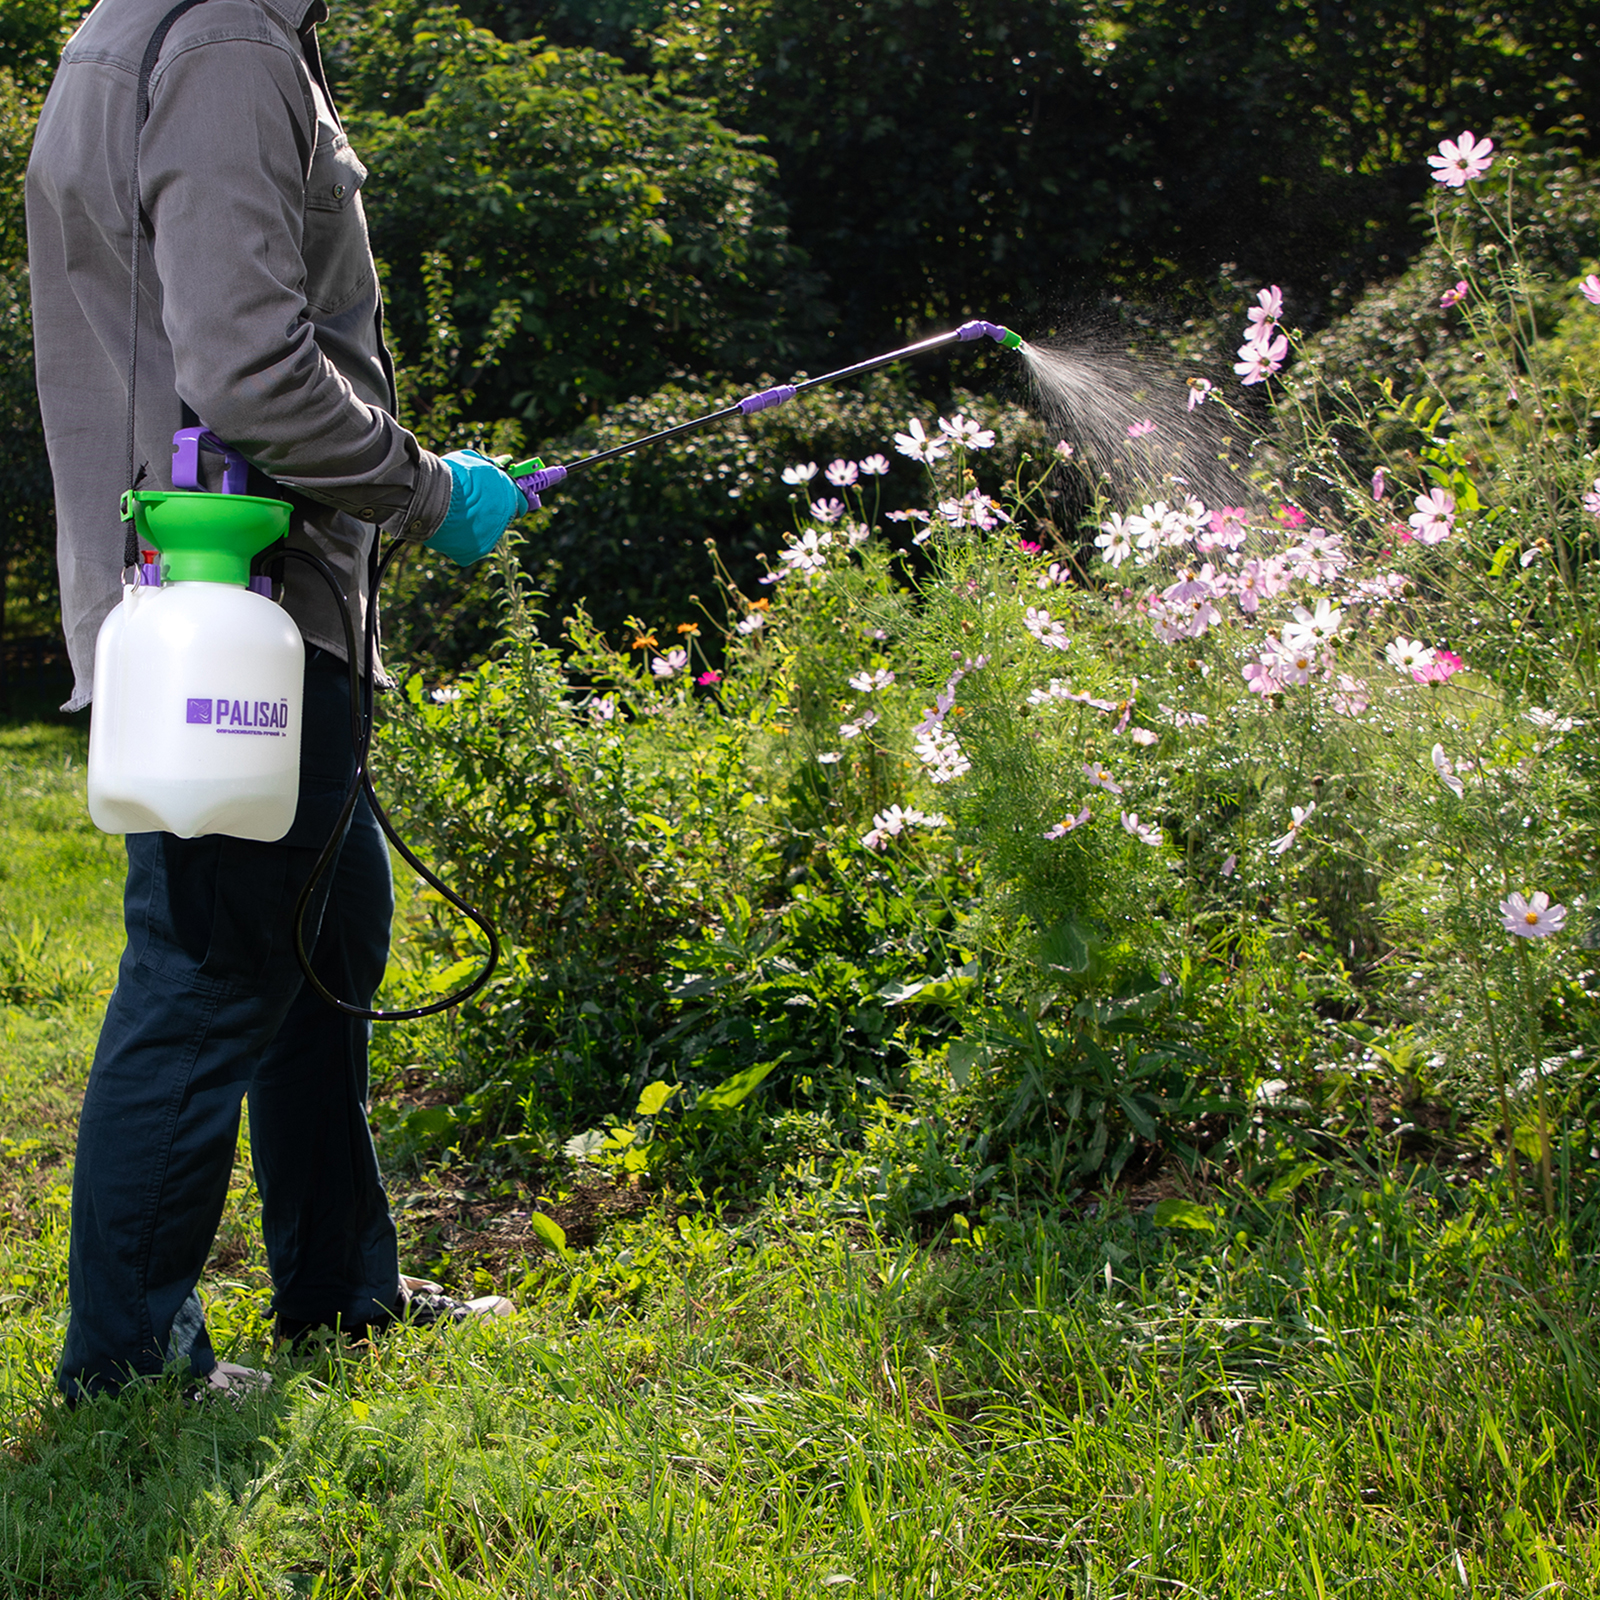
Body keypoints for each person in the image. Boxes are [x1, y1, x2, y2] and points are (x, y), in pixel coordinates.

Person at [26, 0, 525, 1400]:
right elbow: (246, 366)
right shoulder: (227, 45)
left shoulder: (160, 24)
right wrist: (427, 490)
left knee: (328, 931)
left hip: (231, 595)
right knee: (212, 966)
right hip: (237, 596)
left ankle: (338, 1291)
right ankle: (128, 1365)